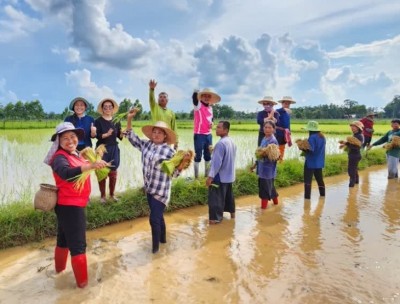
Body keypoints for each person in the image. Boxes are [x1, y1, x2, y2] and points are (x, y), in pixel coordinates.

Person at [43, 122, 107, 288]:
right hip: (70, 206)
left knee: (63, 241)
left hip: (71, 205)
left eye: (72, 137)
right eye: (65, 138)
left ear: (77, 138)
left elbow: (82, 168)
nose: (70, 140)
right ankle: (83, 288)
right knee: (78, 247)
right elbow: (67, 175)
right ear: (58, 141)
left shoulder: (76, 154)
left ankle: (59, 273)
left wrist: (95, 162)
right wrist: (90, 165)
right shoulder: (59, 157)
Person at [125, 110, 189, 253]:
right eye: (154, 132)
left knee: (154, 219)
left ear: (165, 136)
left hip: (161, 191)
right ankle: (163, 241)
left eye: (160, 132)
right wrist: (129, 119)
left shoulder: (169, 152)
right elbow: (132, 137)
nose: (156, 134)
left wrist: (183, 163)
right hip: (149, 189)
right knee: (159, 217)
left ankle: (155, 251)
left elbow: (175, 173)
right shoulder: (146, 145)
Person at [206, 121, 237, 224]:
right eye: (217, 127)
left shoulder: (220, 144)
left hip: (220, 177)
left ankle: (214, 220)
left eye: (219, 127)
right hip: (229, 176)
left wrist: (210, 177)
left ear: (226, 130)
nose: (216, 129)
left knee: (215, 200)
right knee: (229, 197)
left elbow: (216, 163)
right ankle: (232, 216)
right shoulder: (231, 141)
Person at [94, 98, 123, 203]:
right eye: (105, 107)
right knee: (101, 171)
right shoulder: (97, 121)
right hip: (102, 148)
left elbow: (120, 136)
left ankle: (111, 195)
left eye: (110, 107)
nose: (107, 108)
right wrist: (106, 134)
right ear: (102, 109)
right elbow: (95, 136)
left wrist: (122, 133)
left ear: (112, 108)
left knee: (113, 171)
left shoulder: (116, 120)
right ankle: (102, 197)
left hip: (114, 148)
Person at [192, 88, 221, 179]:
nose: (206, 98)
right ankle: (196, 177)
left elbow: (211, 119)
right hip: (199, 134)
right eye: (204, 96)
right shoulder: (198, 105)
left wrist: (212, 123)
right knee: (198, 156)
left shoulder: (211, 108)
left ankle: (206, 176)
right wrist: (196, 92)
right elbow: (194, 99)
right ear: (201, 97)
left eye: (208, 96)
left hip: (208, 135)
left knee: (208, 155)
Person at [254, 120, 279, 209]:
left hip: (268, 169)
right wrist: (255, 164)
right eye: (265, 127)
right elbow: (260, 152)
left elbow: (275, 157)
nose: (267, 129)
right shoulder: (264, 138)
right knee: (271, 187)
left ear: (273, 129)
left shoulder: (273, 141)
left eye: (269, 128)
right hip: (262, 167)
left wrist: (265, 154)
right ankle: (276, 204)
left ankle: (263, 210)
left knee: (264, 190)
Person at [148, 79, 178, 149]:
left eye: (164, 97)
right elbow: (151, 99)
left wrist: (176, 141)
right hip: (156, 137)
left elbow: (174, 127)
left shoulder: (171, 112)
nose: (162, 98)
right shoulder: (154, 107)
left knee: (166, 158)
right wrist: (152, 89)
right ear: (158, 100)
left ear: (167, 100)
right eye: (160, 97)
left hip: (167, 139)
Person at [303, 121, 326, 199]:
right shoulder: (322, 137)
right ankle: (323, 195)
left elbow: (310, 150)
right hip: (319, 162)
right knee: (320, 180)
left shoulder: (312, 137)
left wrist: (302, 148)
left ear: (310, 130)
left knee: (307, 182)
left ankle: (307, 199)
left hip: (310, 162)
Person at [340, 121, 364, 187]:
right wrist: (345, 144)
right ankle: (356, 184)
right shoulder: (355, 135)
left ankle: (351, 187)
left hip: (355, 155)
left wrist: (347, 144)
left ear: (358, 128)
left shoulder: (359, 136)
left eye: (354, 126)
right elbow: (352, 144)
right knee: (354, 169)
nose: (352, 128)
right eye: (352, 126)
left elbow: (356, 147)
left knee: (351, 171)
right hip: (354, 155)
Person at [276, 96, 296, 160]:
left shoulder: (288, 113)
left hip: (285, 133)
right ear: (282, 103)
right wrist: (284, 109)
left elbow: (287, 123)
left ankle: (280, 161)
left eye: (288, 104)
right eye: (286, 103)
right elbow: (275, 111)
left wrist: (289, 131)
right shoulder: (278, 111)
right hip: (278, 133)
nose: (287, 105)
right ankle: (276, 162)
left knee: (282, 148)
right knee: (277, 148)